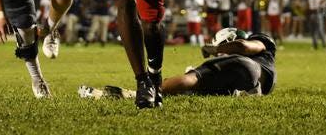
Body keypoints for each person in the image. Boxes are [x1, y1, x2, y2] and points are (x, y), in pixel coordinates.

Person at [79, 29, 276, 99]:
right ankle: (243, 91)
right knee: (202, 87)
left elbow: (243, 47)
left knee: (193, 77)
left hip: (246, 65)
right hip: (253, 79)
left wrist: (212, 50)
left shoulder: (260, 43)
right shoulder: (270, 67)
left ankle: (139, 93)